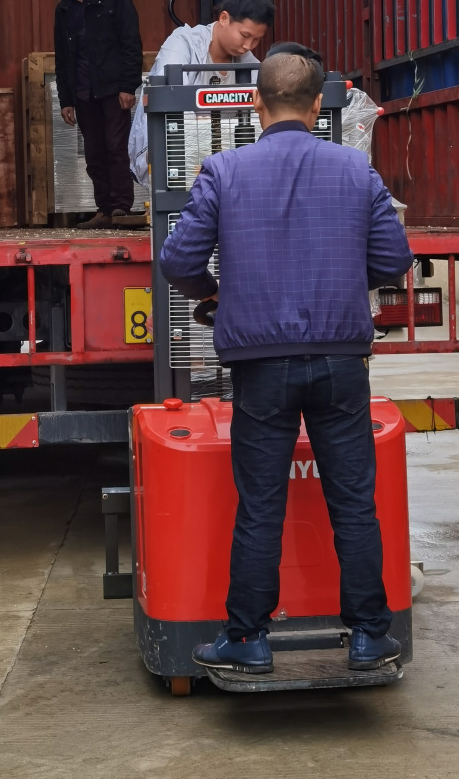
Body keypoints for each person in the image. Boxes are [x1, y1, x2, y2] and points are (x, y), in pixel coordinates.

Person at [158, 50, 414, 676]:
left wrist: (215, 293)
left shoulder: (224, 171)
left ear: (256, 103)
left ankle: (247, 639)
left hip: (260, 367)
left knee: (260, 504)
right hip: (341, 362)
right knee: (353, 502)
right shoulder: (356, 170)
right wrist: (343, 279)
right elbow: (393, 259)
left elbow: (179, 261)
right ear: (318, 105)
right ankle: (368, 637)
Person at [128, 0, 273, 185]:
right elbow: (171, 97)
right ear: (224, 18)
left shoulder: (249, 62)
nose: (248, 45)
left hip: (224, 161)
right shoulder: (182, 43)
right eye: (244, 35)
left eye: (256, 39)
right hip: (174, 154)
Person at [54, 0, 145, 229]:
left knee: (116, 147)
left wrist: (128, 86)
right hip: (83, 92)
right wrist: (66, 99)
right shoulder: (64, 8)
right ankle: (104, 208)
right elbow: (62, 57)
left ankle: (121, 207)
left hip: (113, 89)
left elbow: (131, 43)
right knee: (94, 152)